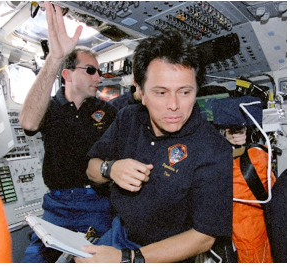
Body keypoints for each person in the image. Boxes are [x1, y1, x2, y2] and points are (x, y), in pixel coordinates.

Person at [79, 30, 233, 263]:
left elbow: (204, 237)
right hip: (119, 232)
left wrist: (127, 258)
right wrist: (110, 169)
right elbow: (92, 168)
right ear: (140, 90)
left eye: (185, 92)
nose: (174, 105)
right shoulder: (127, 118)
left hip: (169, 253)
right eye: (161, 92)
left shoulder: (213, 148)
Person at [17, 2, 117, 262]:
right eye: (91, 70)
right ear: (67, 74)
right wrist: (55, 56)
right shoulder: (49, 108)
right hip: (57, 205)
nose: (99, 77)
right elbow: (28, 122)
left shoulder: (108, 112)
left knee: (91, 260)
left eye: (100, 71)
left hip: (95, 203)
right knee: (33, 260)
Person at [212, 96, 275, 263]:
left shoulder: (253, 160)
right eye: (232, 131)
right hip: (250, 233)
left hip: (249, 235)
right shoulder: (262, 154)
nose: (237, 135)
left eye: (241, 130)